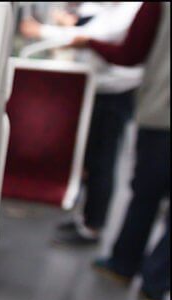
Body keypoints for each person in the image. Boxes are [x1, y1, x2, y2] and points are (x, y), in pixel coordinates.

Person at [20, 3, 144, 246]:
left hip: (114, 92)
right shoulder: (114, 8)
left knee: (102, 161)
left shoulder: (132, 8)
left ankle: (93, 225)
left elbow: (96, 37)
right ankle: (86, 217)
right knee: (92, 159)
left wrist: (43, 31)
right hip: (102, 87)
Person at [72, 2, 170, 300]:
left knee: (145, 194)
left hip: (161, 116)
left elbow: (131, 54)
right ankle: (155, 286)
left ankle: (124, 264)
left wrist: (88, 41)